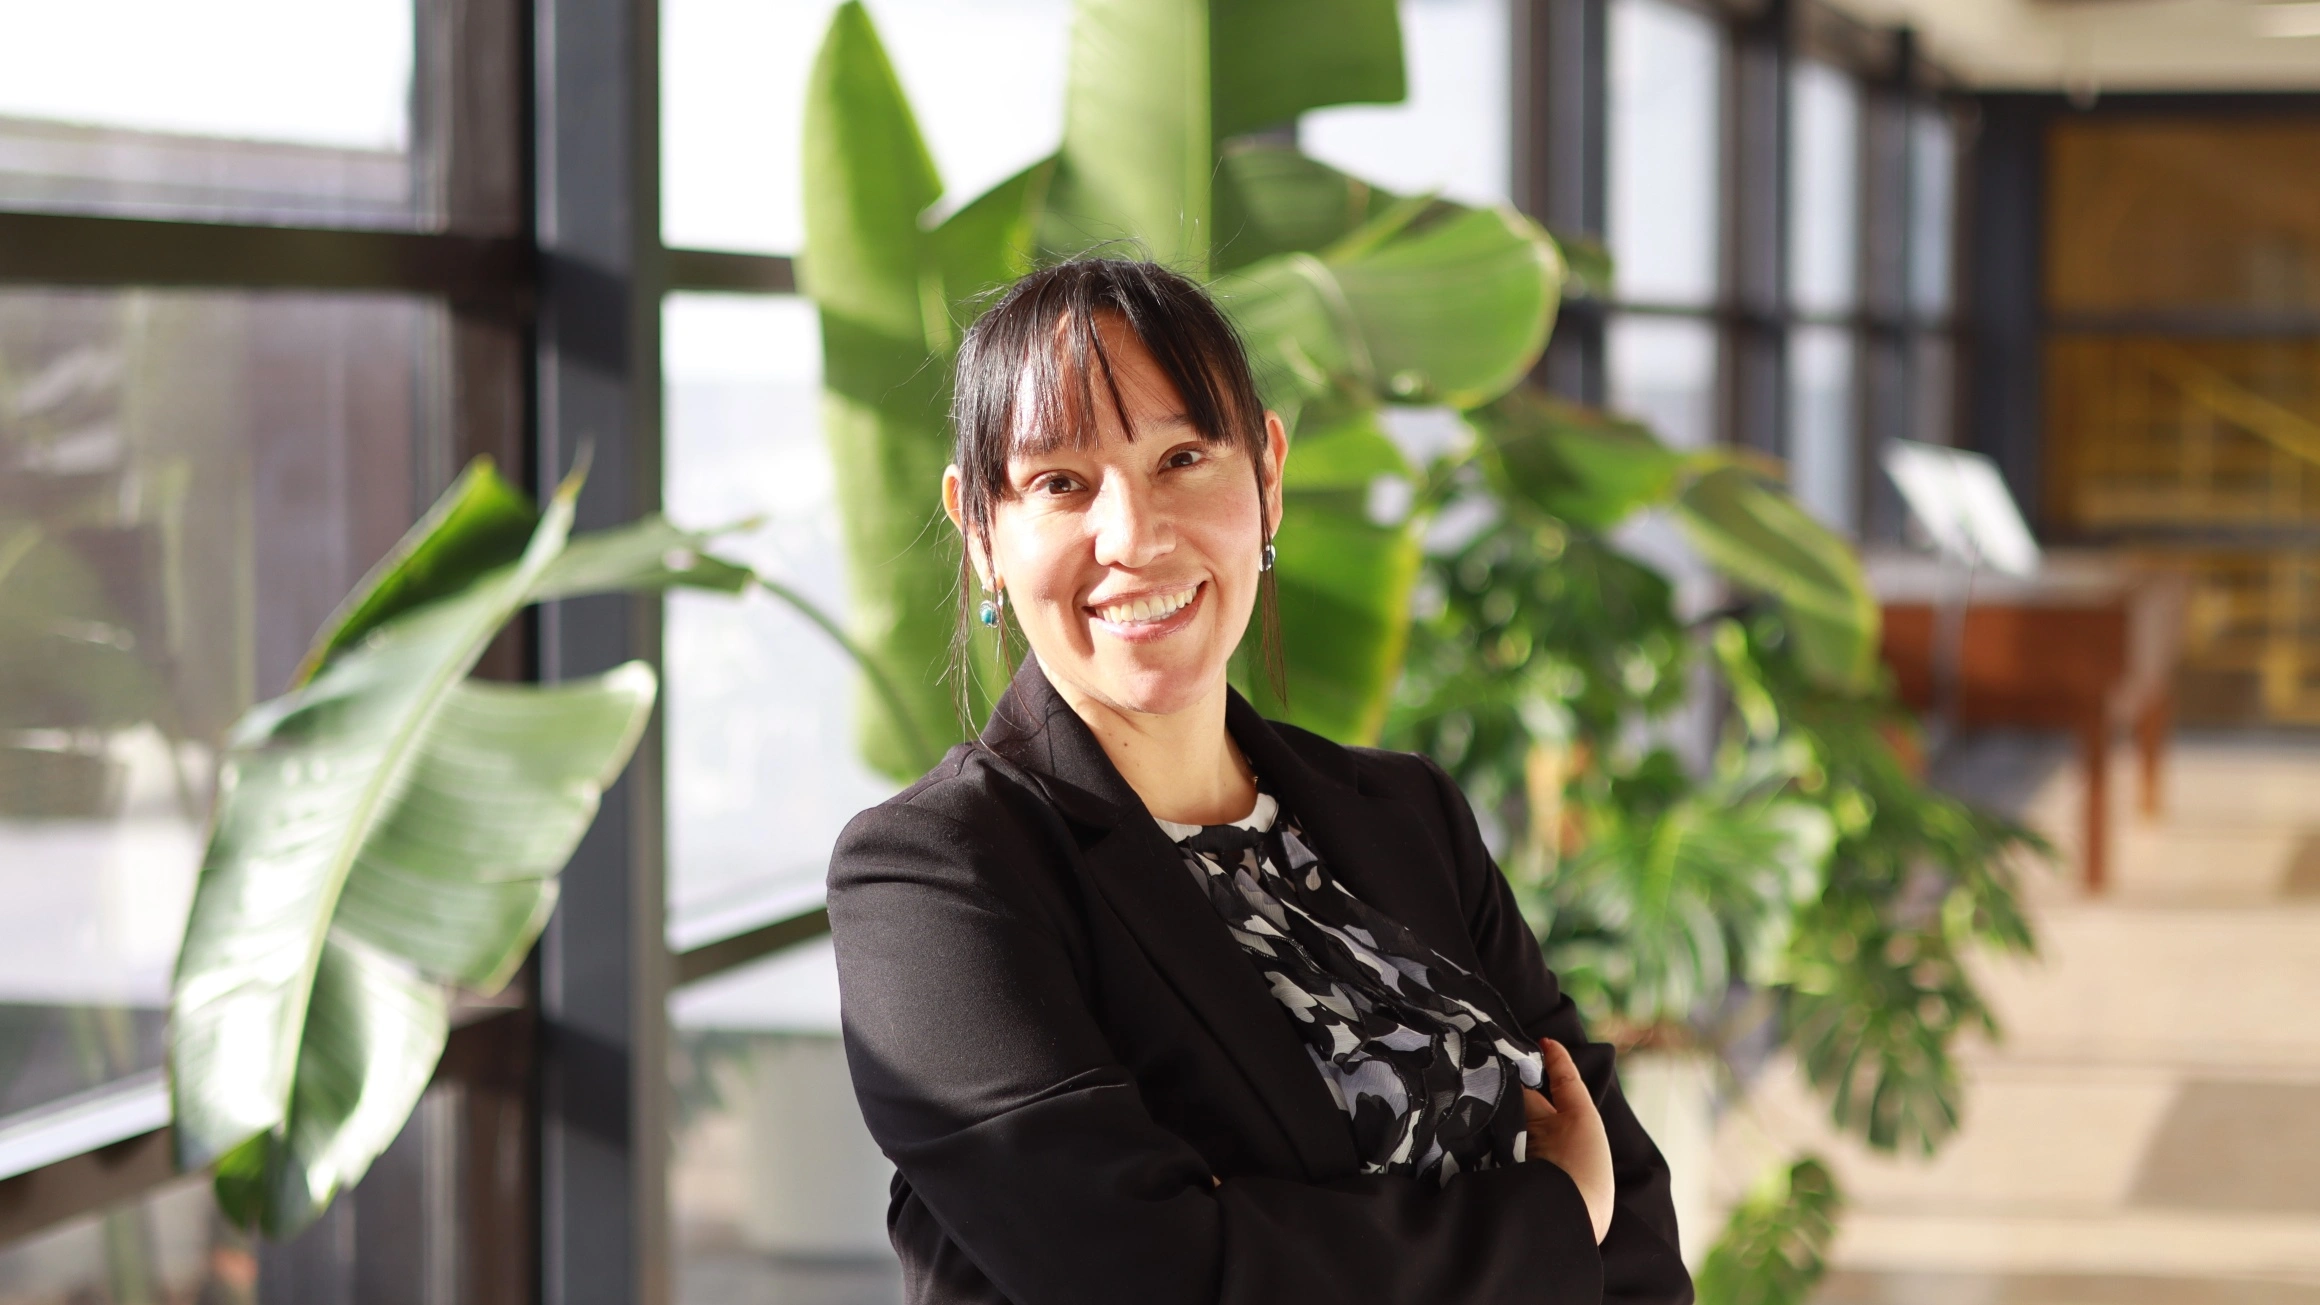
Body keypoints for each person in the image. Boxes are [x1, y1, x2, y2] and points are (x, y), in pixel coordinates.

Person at [827, 257, 1693, 1305]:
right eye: (1061, 482)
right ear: (980, 530)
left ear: (1267, 476)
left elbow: (1628, 1208)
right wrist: (1546, 1218)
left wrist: (1283, 1227)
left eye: (1183, 456)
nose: (1135, 536)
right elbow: (1152, 1276)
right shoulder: (934, 878)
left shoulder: (1405, 813)